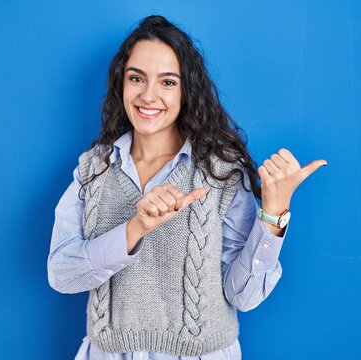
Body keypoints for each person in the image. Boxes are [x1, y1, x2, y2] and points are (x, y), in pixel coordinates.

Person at [47, 15, 327, 360]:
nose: (148, 96)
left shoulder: (220, 172)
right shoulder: (93, 168)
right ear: (122, 83)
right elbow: (61, 275)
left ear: (186, 91)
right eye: (137, 78)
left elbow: (243, 296)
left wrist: (275, 211)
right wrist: (135, 229)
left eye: (167, 82)